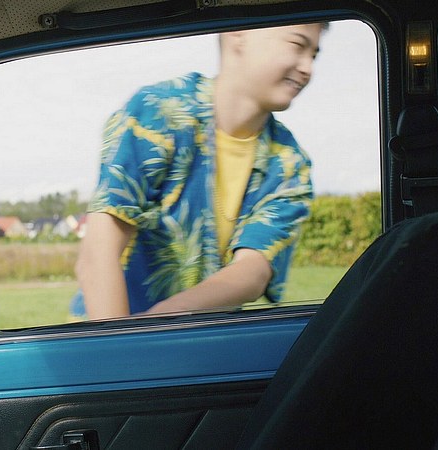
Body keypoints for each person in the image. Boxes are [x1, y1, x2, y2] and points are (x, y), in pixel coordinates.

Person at [74, 23, 324, 320]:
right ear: (238, 32)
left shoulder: (290, 165)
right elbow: (98, 253)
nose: (308, 68)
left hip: (196, 339)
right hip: (105, 330)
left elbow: (252, 271)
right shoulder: (159, 113)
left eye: (314, 55)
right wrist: (123, 341)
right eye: (297, 45)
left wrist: (165, 321)